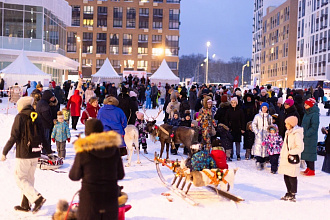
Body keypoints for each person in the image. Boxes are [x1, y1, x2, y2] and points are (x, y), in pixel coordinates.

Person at [69, 119, 125, 220]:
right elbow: (120, 175)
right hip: (110, 199)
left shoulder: (83, 151)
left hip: (90, 200)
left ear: (87, 133)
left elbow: (74, 176)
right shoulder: (114, 149)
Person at [1, 97, 47, 213]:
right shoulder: (37, 116)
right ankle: (25, 205)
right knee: (29, 179)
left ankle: (37, 198)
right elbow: (43, 135)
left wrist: (4, 152)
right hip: (35, 152)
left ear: (21, 106)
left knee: (20, 178)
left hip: (24, 153)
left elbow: (14, 136)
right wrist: (49, 151)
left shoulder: (20, 117)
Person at [278, 116, 304, 202]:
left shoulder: (296, 134)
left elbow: (300, 147)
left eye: (287, 124)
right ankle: (288, 192)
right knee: (286, 175)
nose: (285, 125)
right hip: (286, 157)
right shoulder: (287, 132)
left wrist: (291, 152)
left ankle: (293, 193)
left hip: (292, 158)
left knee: (292, 176)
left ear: (291, 124)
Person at [301, 98, 320, 176]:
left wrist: (306, 133)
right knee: (305, 153)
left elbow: (314, 127)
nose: (304, 106)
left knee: (310, 153)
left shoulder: (314, 114)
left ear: (311, 105)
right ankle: (308, 168)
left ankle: (312, 169)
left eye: (306, 104)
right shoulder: (307, 113)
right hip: (305, 136)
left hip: (311, 137)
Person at [252, 102, 273, 170]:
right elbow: (254, 124)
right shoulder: (257, 116)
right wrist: (257, 132)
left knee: (265, 147)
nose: (264, 109)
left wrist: (270, 132)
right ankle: (258, 161)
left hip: (266, 134)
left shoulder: (269, 117)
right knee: (258, 147)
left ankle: (264, 160)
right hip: (259, 134)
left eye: (266, 108)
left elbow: (271, 125)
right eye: (263, 107)